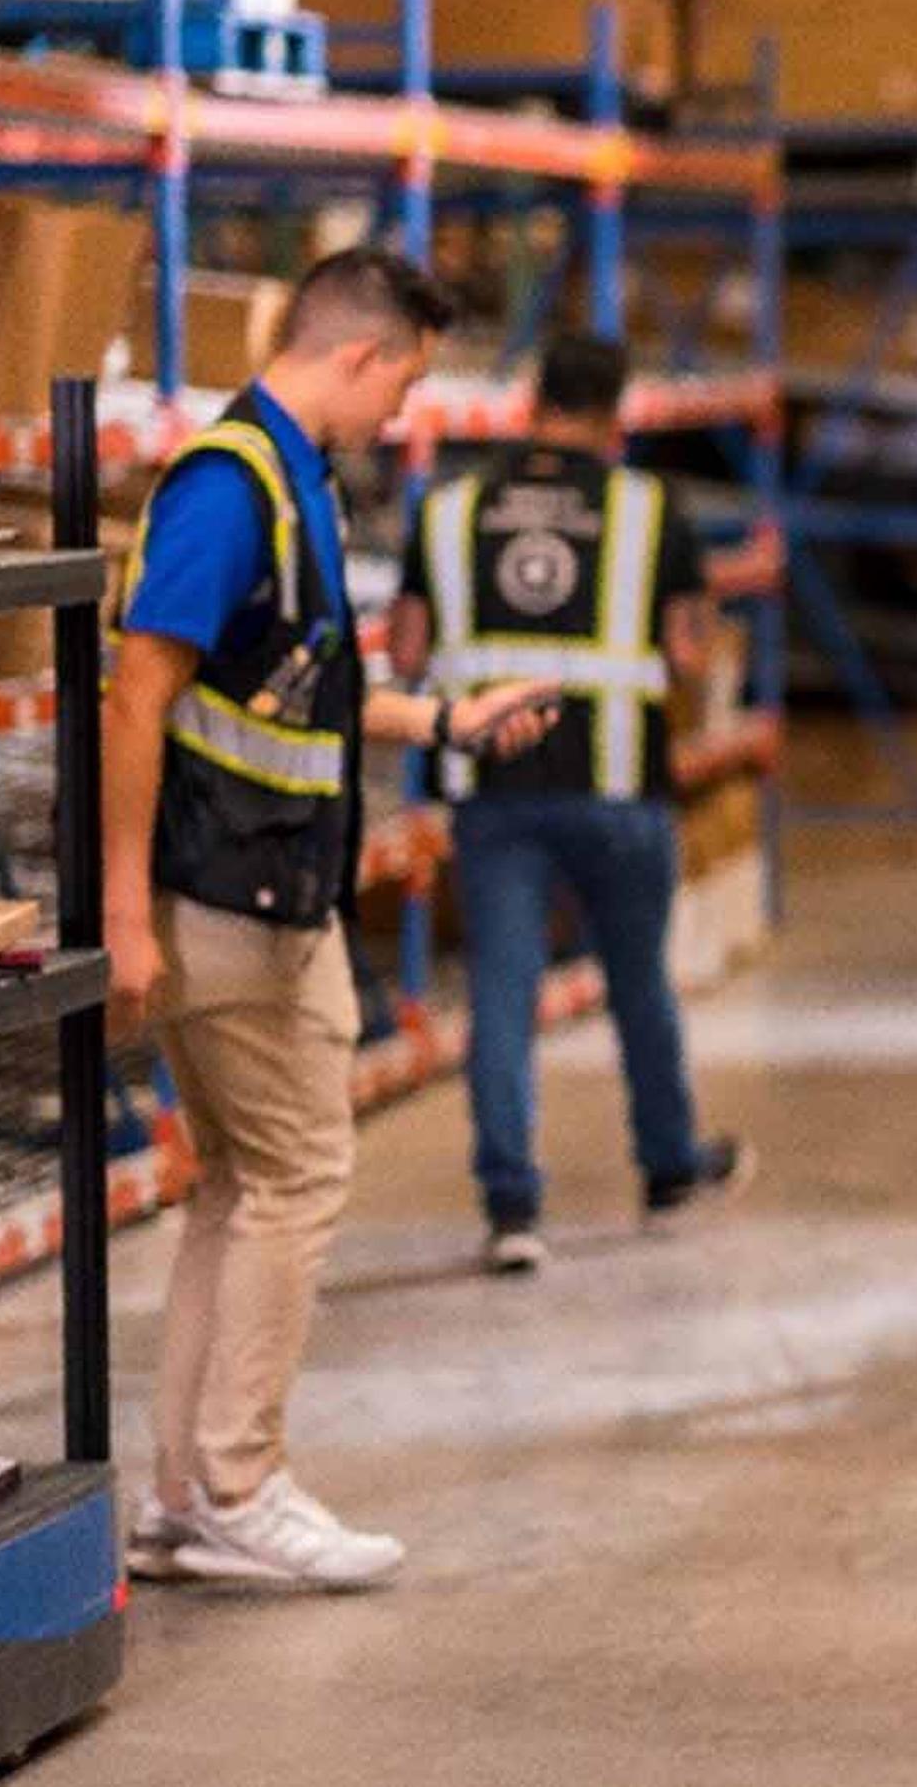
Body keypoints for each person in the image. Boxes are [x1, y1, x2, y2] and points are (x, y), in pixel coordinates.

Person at [103, 248, 561, 1591]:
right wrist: (126, 908)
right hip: (226, 894)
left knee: (241, 1182)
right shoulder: (229, 486)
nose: (400, 414)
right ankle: (239, 1483)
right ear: (359, 355)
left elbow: (294, 692)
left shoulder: (292, 478)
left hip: (271, 885)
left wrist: (444, 720)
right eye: (402, 384)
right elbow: (138, 695)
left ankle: (186, 1494)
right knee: (298, 1176)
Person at [387, 333, 753, 1276]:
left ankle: (512, 1207)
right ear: (614, 411)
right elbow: (689, 655)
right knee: (640, 984)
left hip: (495, 791)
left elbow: (407, 653)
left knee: (504, 993)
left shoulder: (449, 511)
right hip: (619, 786)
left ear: (532, 400)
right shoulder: (650, 509)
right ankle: (667, 1168)